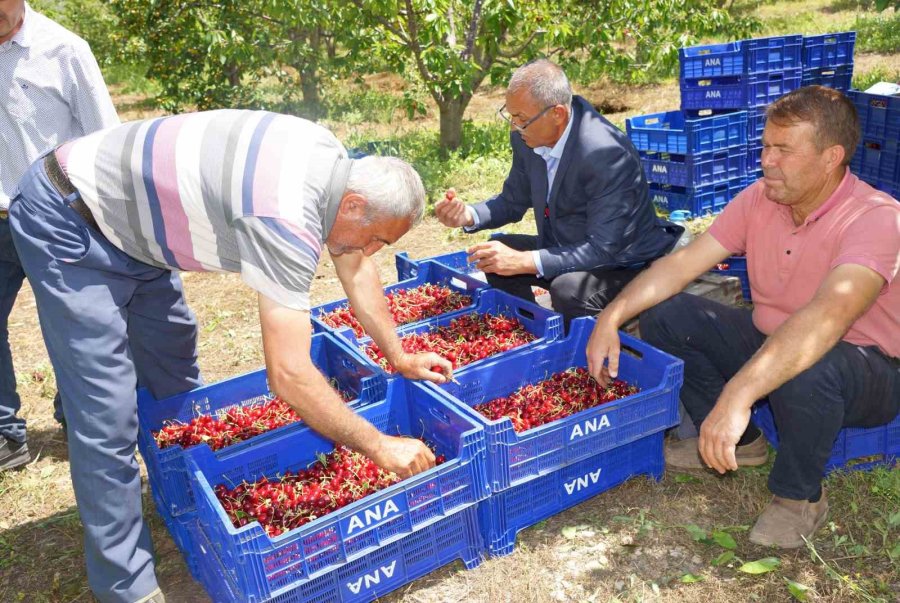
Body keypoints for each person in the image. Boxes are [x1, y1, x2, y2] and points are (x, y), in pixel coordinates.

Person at [9, 110, 453, 603]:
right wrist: (378, 445)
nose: (371, 250)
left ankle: (179, 492)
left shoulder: (336, 172)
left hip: (137, 233)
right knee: (104, 411)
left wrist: (399, 356)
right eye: (377, 238)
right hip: (70, 215)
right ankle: (125, 585)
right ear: (352, 205)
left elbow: (356, 265)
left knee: (173, 368)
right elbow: (287, 373)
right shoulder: (285, 216)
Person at [586, 86, 899, 549]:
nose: (767, 161)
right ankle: (748, 443)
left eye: (783, 151)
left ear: (831, 157)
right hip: (776, 339)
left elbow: (825, 321)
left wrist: (737, 394)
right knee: (668, 314)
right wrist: (610, 317)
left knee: (809, 364)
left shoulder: (876, 219)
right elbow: (681, 266)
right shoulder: (761, 199)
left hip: (866, 366)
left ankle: (799, 498)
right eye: (766, 146)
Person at [434, 59, 680, 321]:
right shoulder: (527, 137)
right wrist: (468, 214)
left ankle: (583, 344)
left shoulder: (606, 153)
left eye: (521, 119)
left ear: (557, 114)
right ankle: (531, 328)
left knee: (569, 290)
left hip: (624, 262)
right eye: (510, 114)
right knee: (495, 253)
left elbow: (603, 249)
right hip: (566, 243)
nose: (513, 126)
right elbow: (513, 200)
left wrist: (526, 261)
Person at [0, 0, 119, 469]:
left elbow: (107, 141)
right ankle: (6, 435)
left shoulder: (63, 50)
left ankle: (78, 418)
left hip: (56, 218)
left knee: (74, 326)